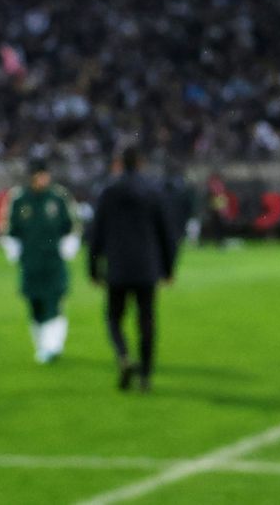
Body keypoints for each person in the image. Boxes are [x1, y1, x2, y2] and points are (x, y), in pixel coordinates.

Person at [87, 147, 176, 392]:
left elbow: (96, 234)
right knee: (146, 320)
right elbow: (167, 233)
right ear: (140, 163)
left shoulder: (108, 191)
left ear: (119, 163)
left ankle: (124, 355)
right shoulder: (154, 191)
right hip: (147, 266)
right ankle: (145, 375)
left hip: (117, 266)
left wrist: (93, 269)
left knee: (114, 317)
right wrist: (169, 268)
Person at [2, 159, 77, 363]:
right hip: (30, 262)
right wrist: (15, 254)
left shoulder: (58, 197)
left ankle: (53, 346)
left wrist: (67, 250)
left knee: (54, 301)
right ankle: (42, 345)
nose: (43, 179)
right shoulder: (19, 199)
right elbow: (11, 231)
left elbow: (70, 227)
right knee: (34, 304)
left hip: (53, 261)